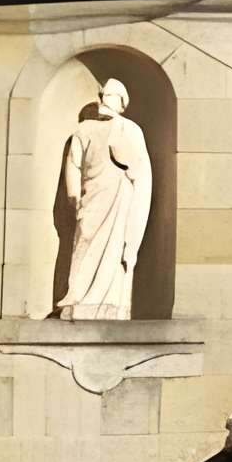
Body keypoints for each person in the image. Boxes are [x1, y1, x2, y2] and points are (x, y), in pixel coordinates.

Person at [55, 78, 152, 319]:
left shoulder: (129, 129)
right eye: (104, 94)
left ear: (121, 103)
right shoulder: (83, 130)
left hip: (118, 200)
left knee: (113, 252)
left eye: (112, 95)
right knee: (84, 243)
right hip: (91, 201)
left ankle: (109, 303)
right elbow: (73, 166)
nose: (106, 99)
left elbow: (139, 171)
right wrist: (74, 197)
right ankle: (78, 298)